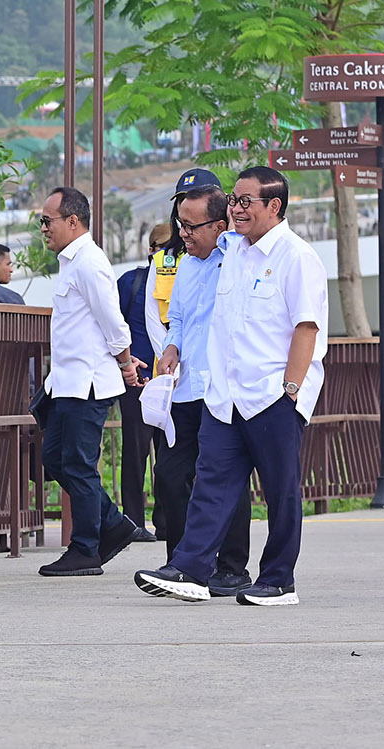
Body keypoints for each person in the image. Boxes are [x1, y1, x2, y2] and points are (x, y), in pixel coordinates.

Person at [134, 165, 327, 606]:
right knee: (211, 485)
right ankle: (190, 568)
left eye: (245, 202)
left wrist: (291, 392)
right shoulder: (234, 251)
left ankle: (278, 580)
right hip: (224, 397)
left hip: (272, 395)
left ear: (273, 206)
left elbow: (306, 328)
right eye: (234, 201)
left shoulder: (296, 257)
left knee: (280, 491)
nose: (236, 210)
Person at [150, 169, 254, 595]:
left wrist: (232, 224)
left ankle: (232, 567)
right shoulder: (185, 264)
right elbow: (177, 318)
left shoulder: (235, 257)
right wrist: (171, 346)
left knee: (224, 480)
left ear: (219, 224)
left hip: (220, 389)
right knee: (171, 478)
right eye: (180, 224)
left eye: (192, 226)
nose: (184, 234)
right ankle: (181, 565)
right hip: (185, 386)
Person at [34, 186, 144, 577]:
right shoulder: (70, 262)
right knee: (54, 459)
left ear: (73, 221)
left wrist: (126, 362)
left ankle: (86, 549)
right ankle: (112, 523)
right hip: (66, 383)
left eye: (48, 221)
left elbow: (113, 321)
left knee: (78, 465)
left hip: (89, 384)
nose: (43, 228)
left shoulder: (89, 262)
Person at [114, 223, 172, 542]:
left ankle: (166, 521)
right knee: (135, 453)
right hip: (137, 380)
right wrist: (125, 364)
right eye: (162, 248)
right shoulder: (131, 282)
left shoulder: (183, 280)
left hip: (172, 381)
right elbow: (114, 327)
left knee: (169, 453)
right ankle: (133, 521)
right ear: (150, 250)